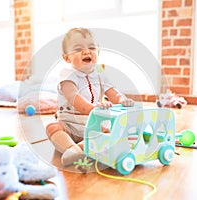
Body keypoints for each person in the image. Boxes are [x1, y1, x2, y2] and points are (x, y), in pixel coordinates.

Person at [46, 27, 134, 167]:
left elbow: (111, 91)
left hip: (94, 126)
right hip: (69, 125)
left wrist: (121, 100)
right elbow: (73, 96)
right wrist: (91, 108)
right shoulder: (67, 75)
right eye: (78, 48)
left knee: (110, 133)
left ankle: (83, 147)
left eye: (91, 47)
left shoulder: (100, 73)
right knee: (52, 127)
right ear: (67, 57)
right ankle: (71, 149)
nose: (86, 51)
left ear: (98, 52)